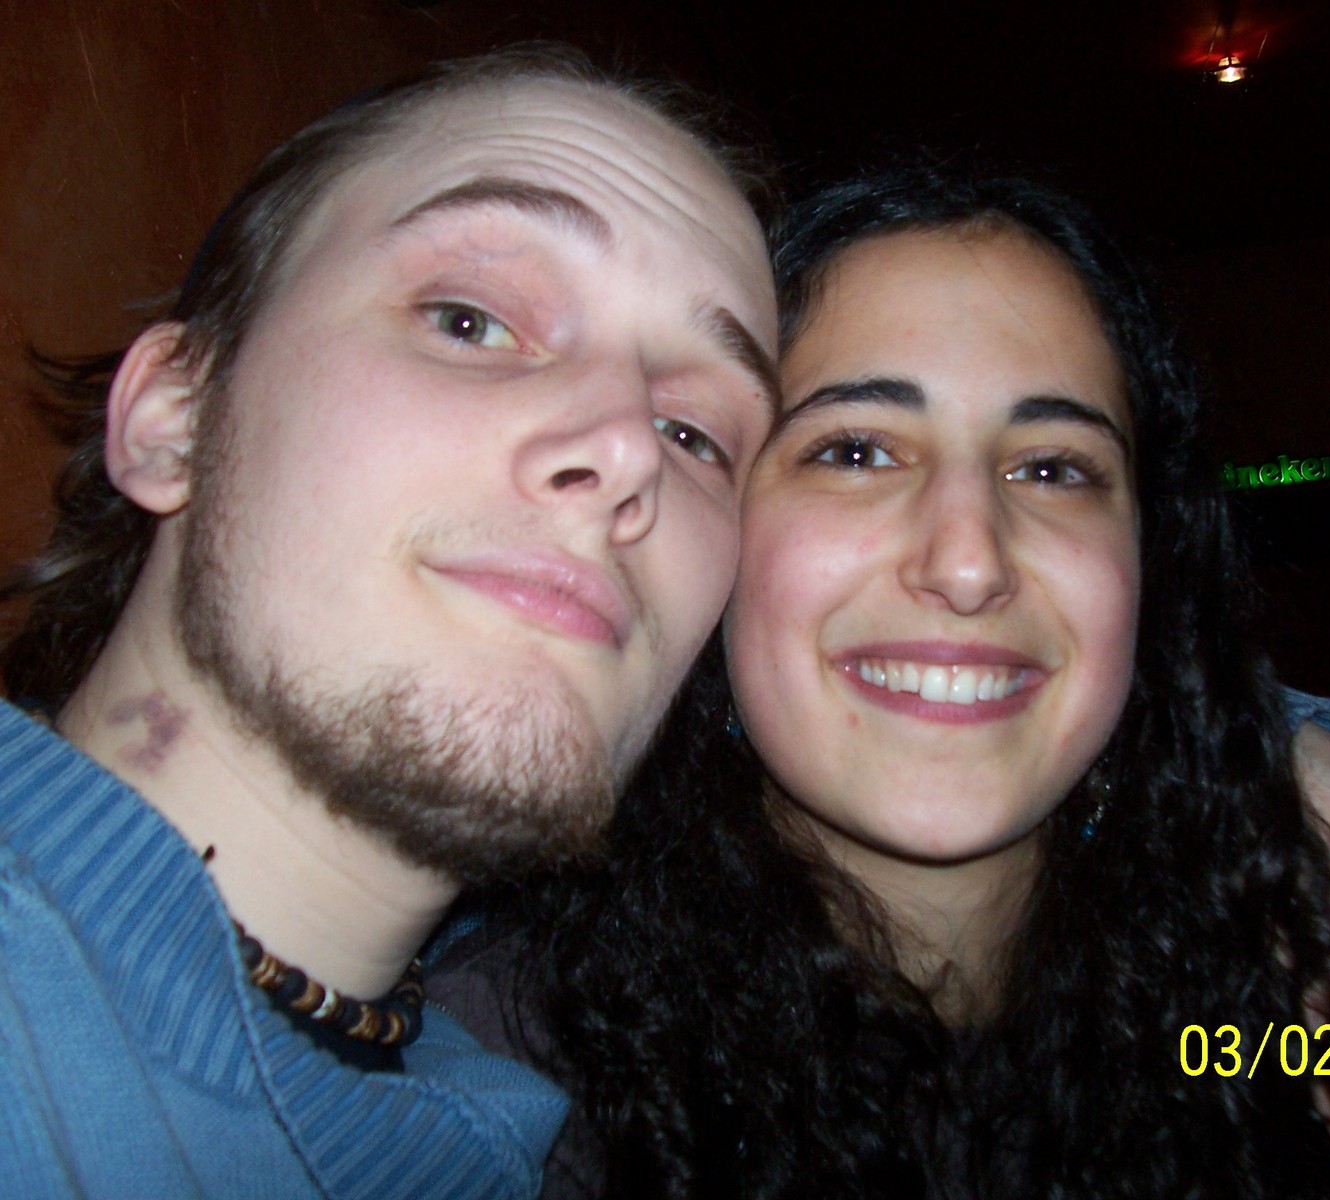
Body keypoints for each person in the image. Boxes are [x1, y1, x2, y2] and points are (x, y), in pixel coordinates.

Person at [435, 167, 1330, 1199]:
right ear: (711, 527)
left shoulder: (1277, 1017)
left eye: (1052, 468)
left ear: (1148, 564)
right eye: (854, 450)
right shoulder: (482, 1088)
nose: (969, 560)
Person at [0, 43, 780, 1198]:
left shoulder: (538, 1133)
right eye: (469, 321)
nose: (629, 451)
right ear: (173, 417)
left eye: (694, 435)